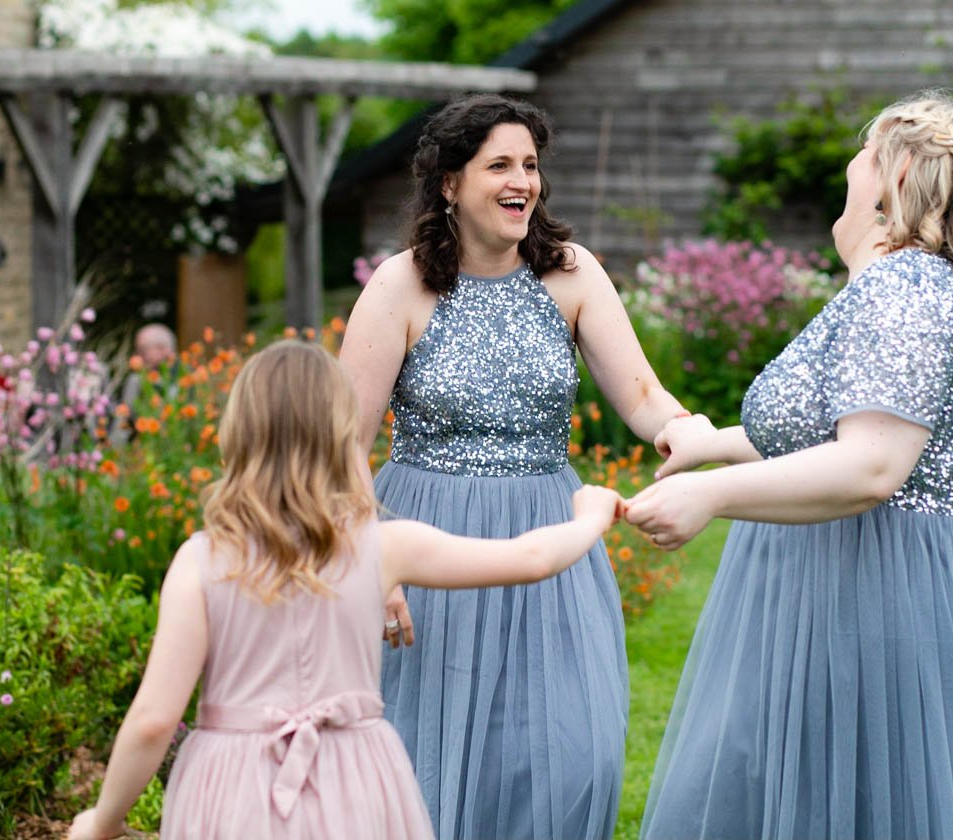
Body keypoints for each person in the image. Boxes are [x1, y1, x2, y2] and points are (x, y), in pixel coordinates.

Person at [628, 89, 953, 839]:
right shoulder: (894, 287)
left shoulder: (904, 293)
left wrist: (711, 494)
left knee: (861, 800)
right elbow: (846, 428)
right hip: (844, 582)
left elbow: (870, 468)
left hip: (876, 589)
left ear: (900, 171)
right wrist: (715, 442)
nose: (851, 167)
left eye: (864, 153)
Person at [67, 341, 624, 840]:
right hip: (356, 780)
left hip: (229, 790)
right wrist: (590, 517)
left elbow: (153, 721)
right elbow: (531, 558)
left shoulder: (201, 560)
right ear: (340, 438)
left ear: (235, 434)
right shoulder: (383, 547)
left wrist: (104, 821)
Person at [339, 93, 689, 838]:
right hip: (429, 546)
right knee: (429, 763)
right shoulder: (400, 286)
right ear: (449, 183)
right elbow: (341, 445)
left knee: (573, 757)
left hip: (550, 539)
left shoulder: (572, 273)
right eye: (499, 164)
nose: (521, 181)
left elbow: (647, 397)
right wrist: (374, 556)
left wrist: (697, 441)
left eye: (530, 165)